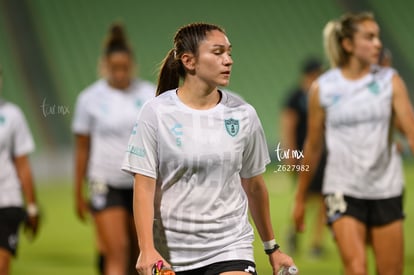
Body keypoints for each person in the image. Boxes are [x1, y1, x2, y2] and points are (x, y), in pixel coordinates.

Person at [122, 22, 295, 275]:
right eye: (218, 52)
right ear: (189, 61)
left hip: (230, 247)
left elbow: (254, 185)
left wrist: (273, 249)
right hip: (171, 253)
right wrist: (147, 249)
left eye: (229, 52)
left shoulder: (243, 114)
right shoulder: (156, 112)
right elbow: (144, 185)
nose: (228, 60)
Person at [293, 12, 414, 275]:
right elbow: (312, 146)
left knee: (390, 270)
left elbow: (411, 133)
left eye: (378, 37)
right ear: (348, 44)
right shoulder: (323, 88)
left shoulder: (389, 81)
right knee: (356, 267)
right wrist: (301, 198)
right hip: (342, 189)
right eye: (369, 37)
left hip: (385, 188)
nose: (378, 44)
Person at [72, 23, 155, 275]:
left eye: (125, 67)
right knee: (117, 248)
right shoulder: (89, 99)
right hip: (104, 181)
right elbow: (82, 149)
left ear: (132, 65)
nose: (120, 73)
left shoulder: (149, 94)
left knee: (137, 253)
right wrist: (77, 191)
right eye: (114, 68)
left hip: (140, 183)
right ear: (105, 66)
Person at [281, 58, 326, 257]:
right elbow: (288, 126)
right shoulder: (296, 96)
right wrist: (290, 154)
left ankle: (316, 243)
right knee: (305, 195)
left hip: (322, 153)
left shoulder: (323, 96)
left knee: (326, 198)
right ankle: (293, 229)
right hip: (302, 154)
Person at [0, 66, 40, 275]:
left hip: (7, 199)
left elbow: (22, 163)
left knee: (2, 265)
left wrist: (32, 206)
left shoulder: (12, 114)